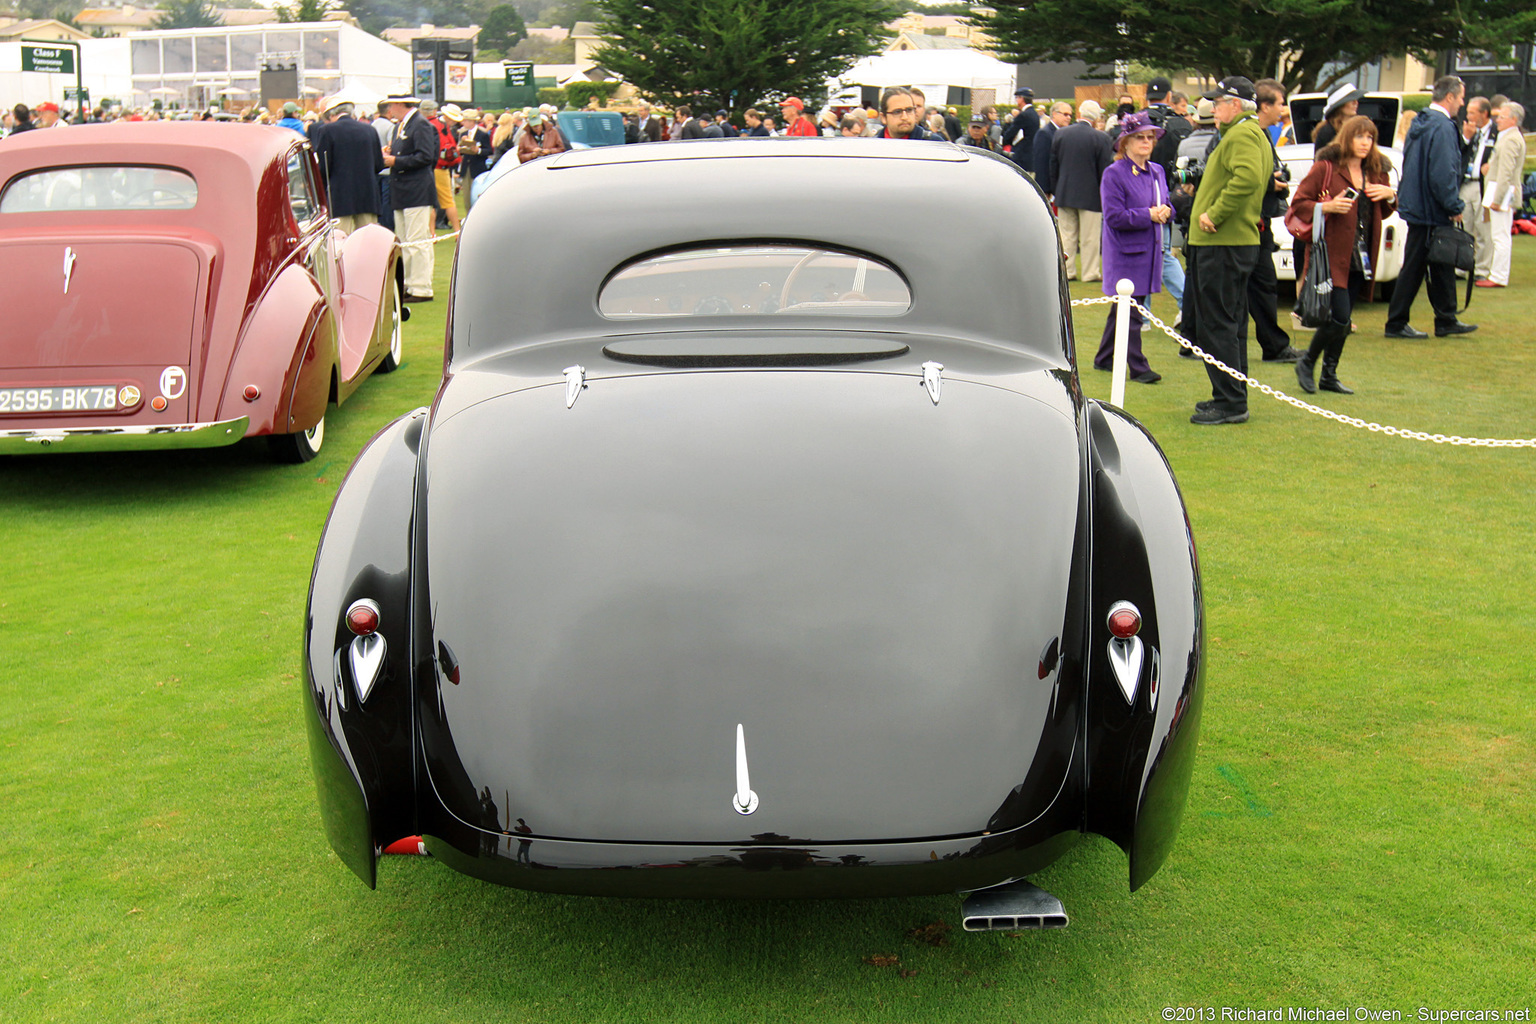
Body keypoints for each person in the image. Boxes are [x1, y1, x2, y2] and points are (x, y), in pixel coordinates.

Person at [1289, 115, 1397, 394]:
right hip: (1332, 253)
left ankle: (1329, 374)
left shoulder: (1376, 170)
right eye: (1359, 136)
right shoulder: (1325, 167)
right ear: (1346, 138)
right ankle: (1308, 362)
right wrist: (1326, 207)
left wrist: (1390, 195)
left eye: (1370, 137)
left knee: (1344, 320)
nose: (1365, 143)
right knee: (1339, 317)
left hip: (1362, 254)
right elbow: (1299, 203)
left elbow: (1383, 211)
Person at [1184, 77, 1270, 425]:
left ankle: (1231, 401)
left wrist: (1213, 213)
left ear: (1235, 104)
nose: (1213, 109)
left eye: (1218, 102)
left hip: (1223, 243)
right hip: (1229, 243)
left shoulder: (1242, 134)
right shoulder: (1246, 133)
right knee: (1228, 323)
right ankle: (1231, 395)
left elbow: (1247, 178)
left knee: (1217, 324)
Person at [1384, 75, 1476, 339]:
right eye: (1460, 97)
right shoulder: (1443, 127)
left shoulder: (1421, 122)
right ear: (1449, 97)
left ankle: (1446, 317)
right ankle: (1396, 322)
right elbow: (1444, 171)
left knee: (1440, 262)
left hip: (1418, 204)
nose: (1461, 103)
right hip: (1431, 208)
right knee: (1415, 266)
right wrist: (1452, 204)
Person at [1092, 111, 1170, 385]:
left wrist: (1165, 212)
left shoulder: (1157, 170)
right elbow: (1114, 216)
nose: (1146, 142)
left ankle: (1104, 358)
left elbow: (1167, 203)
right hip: (1125, 252)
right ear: (1125, 142)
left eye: (1150, 137)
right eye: (1139, 138)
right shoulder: (1114, 174)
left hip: (1150, 250)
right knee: (1131, 310)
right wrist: (1147, 215)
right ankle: (1138, 366)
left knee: (1126, 307)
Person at [1247, 79, 1303, 363]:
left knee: (1262, 286)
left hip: (1261, 223)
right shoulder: (1251, 134)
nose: (1283, 109)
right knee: (1258, 285)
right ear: (1265, 105)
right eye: (1280, 103)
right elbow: (1248, 177)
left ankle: (1274, 345)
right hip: (1248, 225)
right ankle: (1274, 346)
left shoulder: (1265, 134)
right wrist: (1271, 183)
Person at [380, 94, 437, 302]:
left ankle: (421, 287)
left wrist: (396, 160)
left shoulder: (420, 124)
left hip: (417, 190)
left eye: (391, 105)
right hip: (402, 190)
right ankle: (409, 284)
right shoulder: (400, 126)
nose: (389, 110)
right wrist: (390, 153)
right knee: (404, 240)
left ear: (398, 104)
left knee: (417, 240)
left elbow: (426, 156)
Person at [1050, 99, 1112, 282]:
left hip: (1065, 191)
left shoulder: (1061, 134)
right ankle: (1090, 272)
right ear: (1096, 117)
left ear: (1079, 114)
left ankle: (1067, 271)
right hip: (1091, 195)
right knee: (1090, 237)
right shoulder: (1101, 138)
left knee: (1067, 235)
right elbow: (1104, 170)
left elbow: (1053, 165)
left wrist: (1055, 189)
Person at [314, 97, 384, 234]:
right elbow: (379, 164)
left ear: (332, 114)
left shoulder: (327, 130)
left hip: (340, 196)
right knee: (368, 240)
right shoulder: (369, 129)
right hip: (367, 195)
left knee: (339, 241)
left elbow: (323, 167)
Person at [1478, 102, 1527, 289]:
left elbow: (1507, 172)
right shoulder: (1506, 137)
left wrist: (1498, 200)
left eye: (1502, 117)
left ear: (1513, 120)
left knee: (1500, 236)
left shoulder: (1511, 139)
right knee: (1499, 235)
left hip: (1503, 194)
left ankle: (1498, 276)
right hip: (1499, 191)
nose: (1497, 120)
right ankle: (1498, 274)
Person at [1460, 96, 1497, 282]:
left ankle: (1482, 268)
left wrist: (1492, 165)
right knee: (1464, 227)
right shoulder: (1467, 130)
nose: (1468, 116)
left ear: (1484, 113)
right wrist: (1466, 137)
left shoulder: (1496, 133)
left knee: (1483, 228)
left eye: (1472, 113)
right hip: (1465, 183)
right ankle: (1462, 266)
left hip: (1483, 185)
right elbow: (1459, 152)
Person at [1033, 102, 1071, 188]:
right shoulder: (1044, 133)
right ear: (1054, 114)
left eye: (1070, 115)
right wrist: (1045, 189)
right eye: (1065, 114)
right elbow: (1041, 164)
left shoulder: (1065, 133)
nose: (1068, 117)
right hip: (1050, 187)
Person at [1312, 84, 1360, 148]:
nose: (1356, 103)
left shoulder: (1358, 127)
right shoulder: (1327, 131)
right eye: (1351, 100)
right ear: (1340, 105)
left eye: (1356, 99)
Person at [1005, 87, 1039, 174]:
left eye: (1017, 98)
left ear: (1021, 98)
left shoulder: (1024, 115)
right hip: (1032, 155)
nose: (1016, 100)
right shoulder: (1034, 113)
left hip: (1023, 156)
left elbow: (1010, 133)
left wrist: (1005, 143)